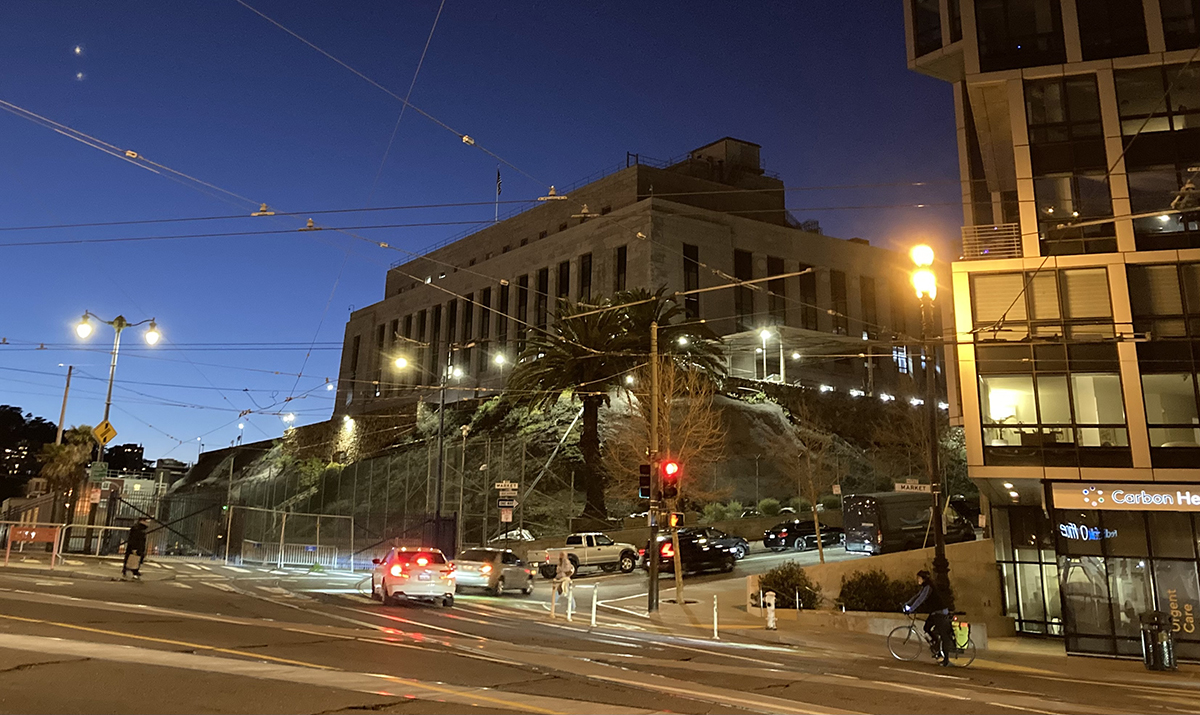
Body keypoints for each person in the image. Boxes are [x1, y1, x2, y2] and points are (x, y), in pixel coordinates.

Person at [903, 569, 953, 666]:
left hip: (940, 613)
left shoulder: (928, 588)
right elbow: (916, 596)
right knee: (926, 628)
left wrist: (911, 609)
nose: (917, 580)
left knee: (944, 636)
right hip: (934, 613)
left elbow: (920, 600)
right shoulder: (925, 587)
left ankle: (946, 660)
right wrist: (907, 604)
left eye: (919, 578)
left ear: (924, 579)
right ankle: (936, 645)